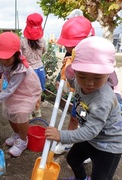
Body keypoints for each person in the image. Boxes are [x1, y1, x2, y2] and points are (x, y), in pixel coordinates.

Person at [45, 36, 122, 180]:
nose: (89, 83)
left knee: (101, 177)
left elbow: (90, 131)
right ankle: (81, 178)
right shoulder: (78, 81)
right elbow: (72, 79)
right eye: (82, 76)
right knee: (73, 159)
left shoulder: (103, 100)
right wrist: (68, 65)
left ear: (108, 74)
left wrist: (61, 135)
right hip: (92, 137)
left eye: (97, 78)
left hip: (109, 145)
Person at [0, 32, 42, 157]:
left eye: (7, 58)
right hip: (15, 89)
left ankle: (23, 140)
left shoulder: (20, 69)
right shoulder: (4, 62)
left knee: (20, 113)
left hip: (27, 91)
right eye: (1, 58)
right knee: (10, 111)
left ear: (16, 55)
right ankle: (16, 133)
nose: (3, 61)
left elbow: (9, 90)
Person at [54, 16, 95, 156]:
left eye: (71, 45)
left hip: (93, 100)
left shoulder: (94, 58)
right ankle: (67, 143)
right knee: (74, 117)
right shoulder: (71, 53)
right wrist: (61, 78)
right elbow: (67, 70)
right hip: (79, 96)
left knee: (89, 125)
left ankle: (89, 151)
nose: (68, 47)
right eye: (67, 45)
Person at [20, 13, 47, 119]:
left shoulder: (22, 41)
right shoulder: (42, 41)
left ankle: (29, 113)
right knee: (38, 91)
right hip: (39, 69)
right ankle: (38, 110)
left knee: (27, 92)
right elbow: (43, 52)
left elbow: (19, 55)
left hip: (27, 69)